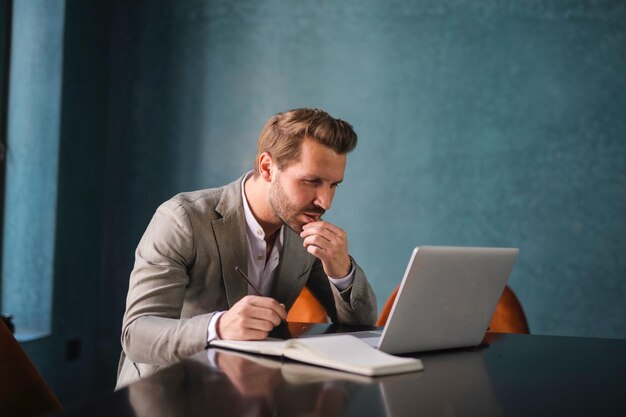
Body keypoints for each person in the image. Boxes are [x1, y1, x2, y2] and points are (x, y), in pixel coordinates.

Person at [116, 108, 377, 388]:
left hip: (250, 394)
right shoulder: (182, 219)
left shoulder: (303, 229)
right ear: (267, 167)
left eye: (333, 185)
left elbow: (360, 325)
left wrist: (342, 272)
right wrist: (218, 327)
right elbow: (136, 335)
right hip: (166, 394)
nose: (325, 202)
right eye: (311, 181)